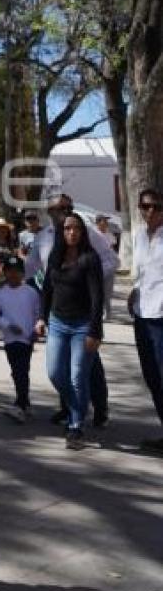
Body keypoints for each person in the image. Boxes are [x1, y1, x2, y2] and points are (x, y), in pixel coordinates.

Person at [27, 192, 114, 426]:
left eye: (66, 208)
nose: (61, 213)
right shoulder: (44, 238)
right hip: (57, 308)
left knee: (88, 366)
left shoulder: (88, 234)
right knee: (61, 368)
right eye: (56, 209)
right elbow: (33, 267)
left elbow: (110, 260)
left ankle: (100, 410)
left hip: (84, 309)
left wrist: (87, 279)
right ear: (49, 213)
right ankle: (71, 407)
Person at [36, 212, 103, 451]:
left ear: (82, 232)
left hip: (82, 325)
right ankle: (80, 406)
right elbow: (46, 289)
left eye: (76, 228)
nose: (71, 232)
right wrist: (41, 317)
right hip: (57, 322)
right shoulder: (55, 256)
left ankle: (76, 426)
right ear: (62, 233)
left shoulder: (90, 258)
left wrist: (95, 332)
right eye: (67, 229)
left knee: (78, 376)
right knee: (55, 373)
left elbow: (97, 298)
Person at [129, 187, 163, 455]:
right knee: (152, 377)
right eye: (145, 206)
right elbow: (140, 273)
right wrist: (133, 292)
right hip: (142, 314)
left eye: (156, 206)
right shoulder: (140, 236)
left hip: (162, 317)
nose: (150, 211)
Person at [0, 256, 41, 422]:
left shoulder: (31, 292)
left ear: (22, 273)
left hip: (27, 338)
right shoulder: (1, 293)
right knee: (18, 370)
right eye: (9, 271)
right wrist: (8, 325)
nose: (13, 275)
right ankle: (24, 401)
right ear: (5, 273)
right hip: (10, 339)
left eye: (16, 271)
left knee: (21, 370)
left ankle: (20, 405)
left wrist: (36, 329)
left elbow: (38, 312)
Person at [94, 214, 119, 320]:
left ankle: (107, 312)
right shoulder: (94, 235)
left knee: (108, 291)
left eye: (107, 221)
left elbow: (112, 249)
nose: (106, 223)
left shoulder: (110, 235)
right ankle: (97, 311)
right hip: (97, 267)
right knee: (97, 290)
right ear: (98, 223)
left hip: (109, 268)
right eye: (104, 221)